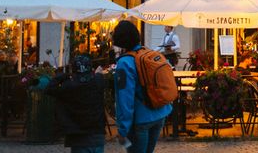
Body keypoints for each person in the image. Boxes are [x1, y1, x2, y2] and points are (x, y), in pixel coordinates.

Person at [112, 21, 172, 153]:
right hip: (160, 114)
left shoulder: (124, 62)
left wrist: (123, 129)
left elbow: (125, 100)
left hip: (141, 120)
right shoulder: (147, 52)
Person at [47, 55, 106, 153]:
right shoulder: (97, 82)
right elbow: (99, 75)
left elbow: (50, 89)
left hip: (77, 136)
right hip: (96, 134)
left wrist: (64, 75)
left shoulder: (68, 86)